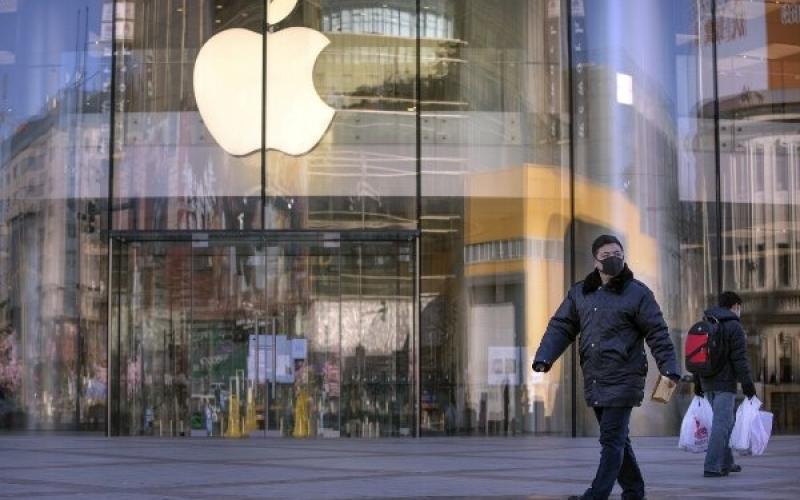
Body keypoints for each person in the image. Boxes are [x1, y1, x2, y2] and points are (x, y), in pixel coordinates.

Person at [532, 235, 680, 500]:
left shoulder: (638, 293)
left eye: (618, 254)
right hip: (596, 378)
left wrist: (669, 369)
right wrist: (545, 357)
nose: (614, 259)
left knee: (611, 440)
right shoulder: (581, 292)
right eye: (607, 255)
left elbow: (657, 332)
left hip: (625, 378)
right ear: (595, 261)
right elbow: (562, 326)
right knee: (618, 439)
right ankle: (634, 491)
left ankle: (595, 495)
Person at [693, 291, 756, 478]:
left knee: (726, 422)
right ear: (735, 306)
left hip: (706, 381)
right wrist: (747, 384)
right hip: (725, 383)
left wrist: (697, 381)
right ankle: (712, 466)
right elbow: (739, 359)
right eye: (739, 307)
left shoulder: (706, 322)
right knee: (722, 424)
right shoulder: (734, 327)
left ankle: (727, 462)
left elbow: (697, 355)